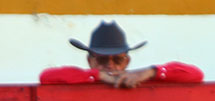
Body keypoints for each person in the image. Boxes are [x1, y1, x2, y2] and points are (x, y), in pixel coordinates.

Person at [40, 21, 203, 87]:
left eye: (117, 59)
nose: (110, 65)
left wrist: (151, 71)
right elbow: (46, 77)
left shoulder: (139, 80)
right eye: (102, 59)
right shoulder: (79, 81)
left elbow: (196, 75)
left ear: (127, 61)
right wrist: (99, 76)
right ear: (90, 61)